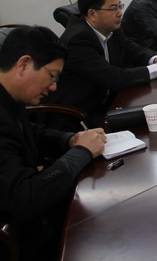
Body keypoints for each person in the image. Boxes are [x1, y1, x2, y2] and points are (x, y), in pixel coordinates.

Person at [0, 26, 106, 261]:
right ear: (24, 64)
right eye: (52, 75)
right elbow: (24, 198)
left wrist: (69, 140)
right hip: (17, 235)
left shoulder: (9, 96)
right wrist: (81, 153)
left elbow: (29, 132)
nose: (54, 86)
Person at [46, 0, 157, 131]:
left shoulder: (111, 28)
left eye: (119, 6)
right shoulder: (77, 40)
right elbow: (113, 78)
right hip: (79, 117)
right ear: (92, 14)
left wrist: (156, 59)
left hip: (107, 102)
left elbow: (131, 49)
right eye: (113, 8)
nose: (120, 13)